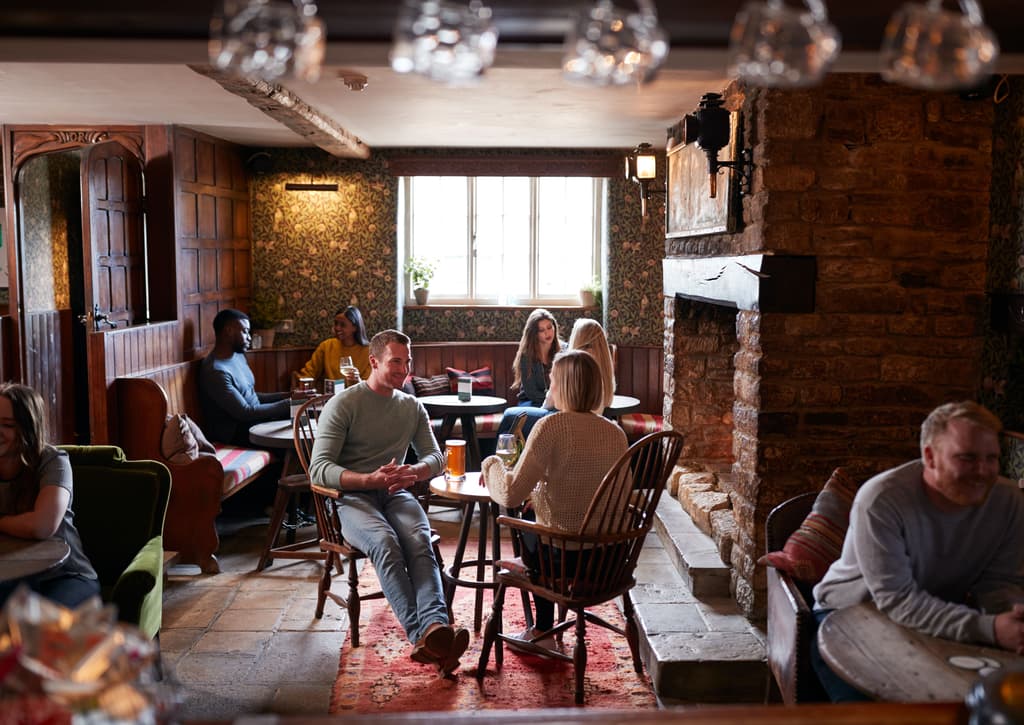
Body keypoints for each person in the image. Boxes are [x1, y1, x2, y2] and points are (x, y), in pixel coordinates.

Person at [810, 401, 1024, 702]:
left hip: (935, 612)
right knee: (875, 714)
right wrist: (991, 629)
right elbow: (897, 599)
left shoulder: (1009, 501)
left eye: (992, 458)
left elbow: (999, 583)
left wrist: (1012, 620)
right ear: (930, 457)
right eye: (967, 458)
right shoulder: (882, 499)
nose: (983, 471)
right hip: (847, 615)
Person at [308, 329, 469, 676]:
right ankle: (423, 634)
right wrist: (368, 480)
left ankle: (434, 628)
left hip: (396, 493)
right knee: (385, 542)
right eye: (396, 361)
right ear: (374, 361)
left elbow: (436, 457)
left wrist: (415, 471)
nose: (404, 368)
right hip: (352, 498)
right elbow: (318, 470)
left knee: (419, 540)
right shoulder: (344, 404)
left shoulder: (410, 406)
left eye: (407, 361)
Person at [482, 349, 628, 654]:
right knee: (537, 517)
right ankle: (545, 626)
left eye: (553, 381)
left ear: (564, 385)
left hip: (564, 560)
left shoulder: (552, 426)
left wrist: (491, 464)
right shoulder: (615, 433)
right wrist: (539, 497)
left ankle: (542, 630)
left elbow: (510, 494)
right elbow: (606, 492)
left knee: (532, 527)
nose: (550, 388)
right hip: (610, 559)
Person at [0, 384, 99, 608]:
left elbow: (43, 525)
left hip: (65, 575)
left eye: (7, 425)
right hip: (10, 578)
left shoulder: (53, 461)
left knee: (33, 621)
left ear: (28, 428)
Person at [200, 308, 289, 446]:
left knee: (305, 417)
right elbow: (244, 412)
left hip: (254, 422)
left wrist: (288, 395)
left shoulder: (238, 356)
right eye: (245, 331)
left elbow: (251, 397)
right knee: (297, 425)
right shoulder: (215, 371)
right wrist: (288, 403)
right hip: (237, 433)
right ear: (229, 331)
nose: (249, 337)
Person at [297, 305, 372, 390]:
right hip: (330, 396)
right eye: (336, 323)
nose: (337, 328)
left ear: (355, 328)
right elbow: (309, 372)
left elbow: (369, 386)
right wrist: (302, 386)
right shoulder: (326, 346)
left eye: (342, 325)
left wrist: (358, 381)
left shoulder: (369, 351)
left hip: (357, 396)